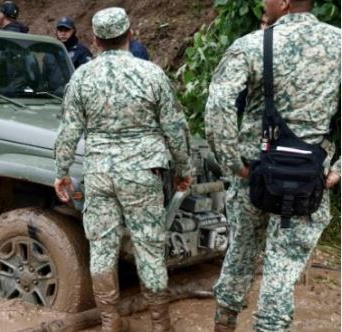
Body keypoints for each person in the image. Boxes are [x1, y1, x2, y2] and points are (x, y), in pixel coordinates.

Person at [54, 7, 193, 332]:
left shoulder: (82, 76)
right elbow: (175, 128)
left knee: (102, 248)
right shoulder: (151, 74)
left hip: (100, 173)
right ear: (130, 34)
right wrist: (183, 168)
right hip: (144, 174)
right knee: (149, 248)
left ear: (96, 40)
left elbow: (69, 130)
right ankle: (160, 324)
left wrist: (60, 171)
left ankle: (110, 322)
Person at [204, 0, 340, 330]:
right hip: (310, 181)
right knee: (281, 271)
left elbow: (217, 108)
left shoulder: (251, 45)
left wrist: (233, 163)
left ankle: (224, 324)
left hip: (254, 177)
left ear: (284, 2)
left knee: (239, 255)